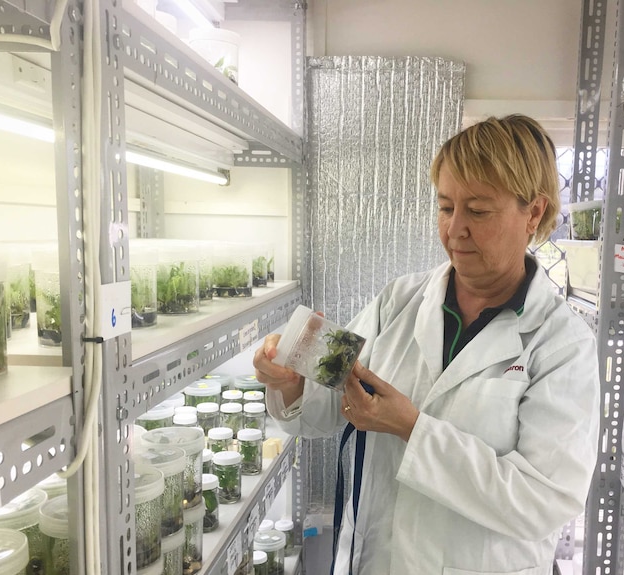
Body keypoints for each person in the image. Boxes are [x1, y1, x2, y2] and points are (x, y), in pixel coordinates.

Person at [253, 114, 600, 575]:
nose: (455, 229)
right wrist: (290, 381)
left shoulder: (561, 344)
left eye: (478, 211)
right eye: (445, 206)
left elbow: (543, 501)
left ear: (533, 212)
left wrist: (413, 430)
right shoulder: (398, 301)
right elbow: (321, 409)